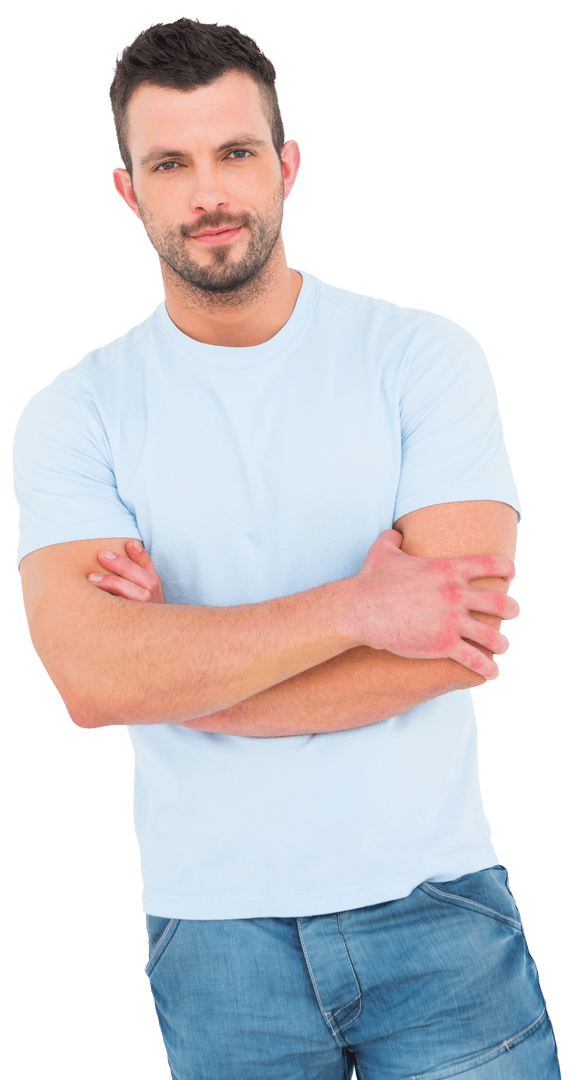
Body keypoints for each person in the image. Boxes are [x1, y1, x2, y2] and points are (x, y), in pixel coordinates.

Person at [12, 16, 562, 1080]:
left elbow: (455, 644)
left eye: (235, 152)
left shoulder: (420, 359)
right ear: (129, 190)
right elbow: (87, 680)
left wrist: (166, 668)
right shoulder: (75, 412)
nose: (207, 191)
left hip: (434, 900)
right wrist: (357, 610)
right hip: (213, 931)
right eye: (169, 163)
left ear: (286, 166)